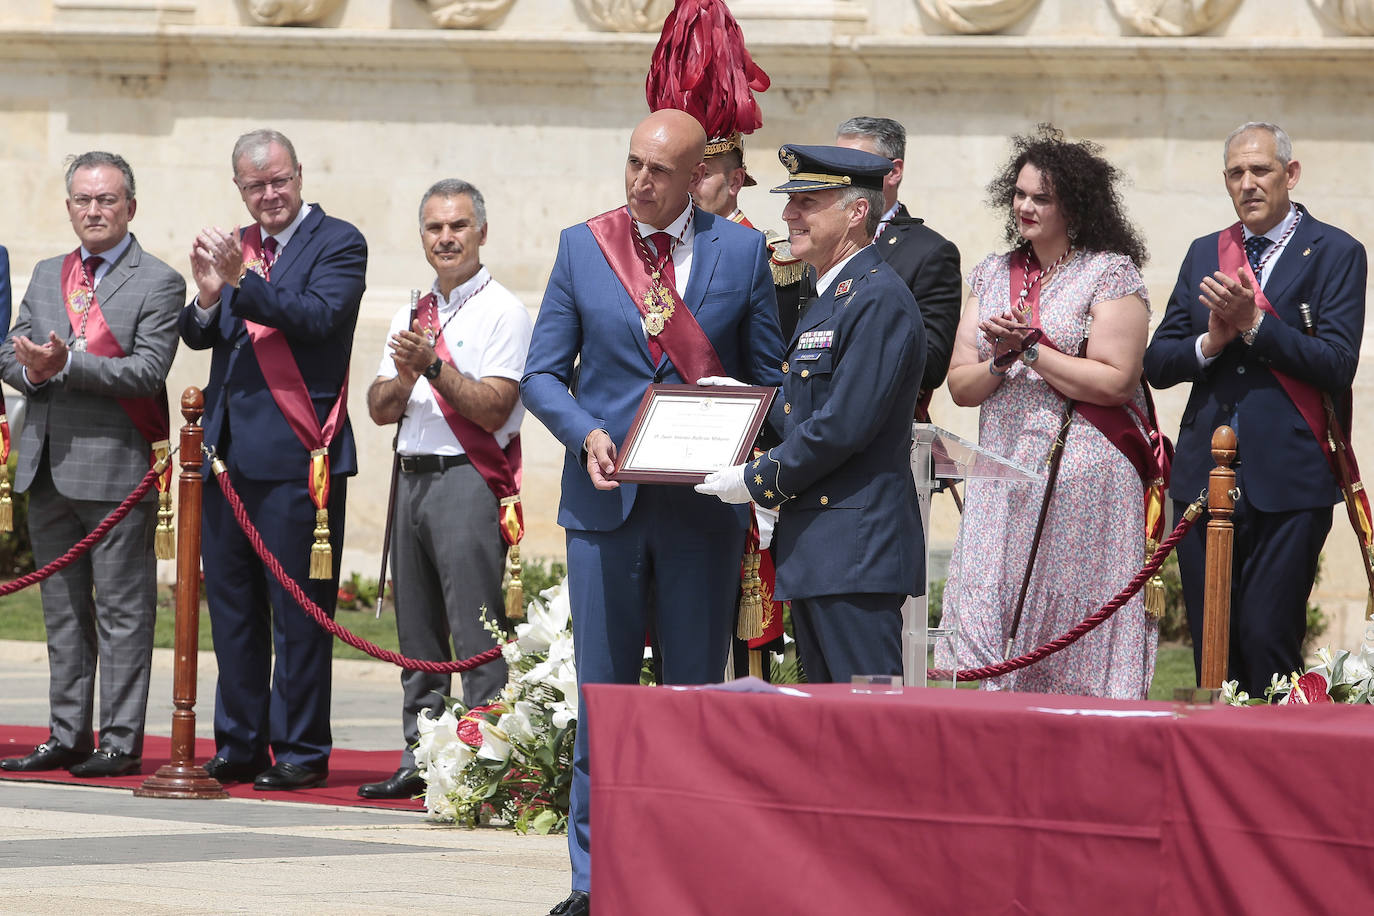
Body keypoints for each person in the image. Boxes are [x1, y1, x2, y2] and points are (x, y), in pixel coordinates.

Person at [521, 108, 783, 916]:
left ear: (699, 174)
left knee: (690, 697)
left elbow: (767, 375)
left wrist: (741, 436)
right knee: (605, 697)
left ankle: (683, 866)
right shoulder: (582, 245)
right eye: (632, 164)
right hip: (606, 506)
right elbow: (540, 376)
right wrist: (585, 434)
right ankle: (593, 878)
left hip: (702, 512)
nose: (640, 181)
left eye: (659, 171)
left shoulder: (741, 251)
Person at [1144, 122, 1367, 694]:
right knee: (1212, 648)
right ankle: (1208, 775)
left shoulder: (1337, 252)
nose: (1248, 184)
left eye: (1260, 170)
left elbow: (1337, 364)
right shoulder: (1204, 253)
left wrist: (1256, 325)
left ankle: (1267, 774)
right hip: (1202, 480)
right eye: (1236, 174)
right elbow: (1158, 362)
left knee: (1268, 637)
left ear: (1290, 174)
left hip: (1290, 479)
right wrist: (1211, 343)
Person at [940, 127, 1157, 698]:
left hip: (1082, 480)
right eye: (1019, 194)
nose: (1026, 207)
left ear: (1074, 205)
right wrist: (1001, 362)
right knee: (994, 614)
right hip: (999, 475)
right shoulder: (990, 272)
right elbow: (961, 384)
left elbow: (1117, 380)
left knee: (1069, 626)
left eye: (1042, 197)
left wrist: (1032, 350)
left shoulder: (1108, 273)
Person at [179, 129, 367, 791]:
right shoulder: (240, 246)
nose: (269, 195)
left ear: (299, 176)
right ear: (239, 188)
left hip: (296, 453)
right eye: (254, 185)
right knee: (230, 610)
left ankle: (301, 751)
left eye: (278, 180)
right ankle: (239, 744)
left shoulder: (338, 242)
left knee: (298, 613)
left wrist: (239, 282)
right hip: (228, 459)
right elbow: (204, 333)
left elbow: (318, 318)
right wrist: (207, 293)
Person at [697, 143, 925, 683]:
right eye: (790, 201)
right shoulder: (833, 295)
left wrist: (755, 479)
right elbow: (808, 407)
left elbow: (842, 425)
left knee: (870, 730)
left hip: (856, 552)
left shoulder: (876, 299)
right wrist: (744, 402)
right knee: (830, 728)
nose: (788, 215)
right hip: (824, 551)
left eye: (808, 201)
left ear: (856, 211)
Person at [0, 152, 183, 777]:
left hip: (116, 470)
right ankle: (66, 732)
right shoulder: (51, 272)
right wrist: (29, 368)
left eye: (106, 200)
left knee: (123, 611)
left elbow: (148, 372)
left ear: (130, 206)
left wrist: (67, 364)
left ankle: (120, 740)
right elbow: (10, 351)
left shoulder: (157, 281)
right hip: (47, 465)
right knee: (62, 611)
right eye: (83, 200)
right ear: (70, 206)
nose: (94, 210)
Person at [359, 179, 532, 801]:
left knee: (475, 633)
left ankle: (486, 763)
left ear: (481, 231)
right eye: (435, 228)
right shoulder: (415, 312)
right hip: (411, 478)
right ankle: (421, 756)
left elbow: (495, 407)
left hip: (467, 477)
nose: (446, 238)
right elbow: (379, 408)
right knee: (418, 637)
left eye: (458, 226)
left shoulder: (503, 311)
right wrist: (406, 375)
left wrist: (433, 365)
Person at [835, 116, 963, 414]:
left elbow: (930, 365)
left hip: (883, 426)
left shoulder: (929, 252)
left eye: (855, 164)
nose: (842, 176)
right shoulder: (816, 242)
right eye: (837, 165)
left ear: (894, 172)